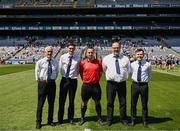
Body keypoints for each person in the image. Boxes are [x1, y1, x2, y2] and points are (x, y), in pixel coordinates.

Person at [102, 42, 130, 126]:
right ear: (111, 48)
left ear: (120, 48)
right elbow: (104, 70)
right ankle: (109, 119)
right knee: (110, 102)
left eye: (117, 47)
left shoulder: (125, 58)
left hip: (122, 83)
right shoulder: (106, 58)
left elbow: (128, 70)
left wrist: (122, 77)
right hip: (111, 84)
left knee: (123, 102)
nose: (116, 49)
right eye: (114, 47)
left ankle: (123, 119)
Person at [35, 46, 58, 129]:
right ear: (44, 52)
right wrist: (41, 82)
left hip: (52, 84)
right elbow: (37, 73)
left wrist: (52, 80)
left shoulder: (55, 62)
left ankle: (50, 120)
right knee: (40, 104)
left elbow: (57, 73)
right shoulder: (40, 62)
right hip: (43, 84)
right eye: (48, 51)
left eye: (51, 52)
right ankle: (38, 122)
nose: (49, 53)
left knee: (51, 104)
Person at [57, 42, 81, 125]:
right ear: (67, 48)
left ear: (75, 49)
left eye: (73, 48)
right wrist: (65, 76)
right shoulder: (63, 57)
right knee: (62, 100)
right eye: (70, 48)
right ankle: (60, 120)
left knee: (71, 101)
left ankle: (70, 118)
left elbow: (78, 69)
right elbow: (60, 68)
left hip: (73, 81)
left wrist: (74, 76)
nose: (71, 49)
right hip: (64, 80)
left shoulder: (78, 57)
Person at [79, 47, 103, 126]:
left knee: (97, 102)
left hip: (96, 86)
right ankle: (82, 118)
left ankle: (99, 118)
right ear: (86, 54)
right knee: (84, 103)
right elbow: (81, 73)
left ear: (94, 53)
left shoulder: (98, 62)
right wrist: (86, 80)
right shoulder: (82, 63)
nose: (90, 54)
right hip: (86, 86)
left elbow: (100, 73)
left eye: (91, 52)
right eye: (89, 52)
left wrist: (96, 80)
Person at [130, 48, 151, 128]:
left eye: (141, 54)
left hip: (144, 86)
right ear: (135, 55)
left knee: (144, 104)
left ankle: (145, 120)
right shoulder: (132, 64)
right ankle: (133, 119)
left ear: (143, 55)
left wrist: (144, 81)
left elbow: (149, 75)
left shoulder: (148, 64)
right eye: (138, 54)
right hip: (135, 85)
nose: (139, 56)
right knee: (133, 104)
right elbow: (131, 73)